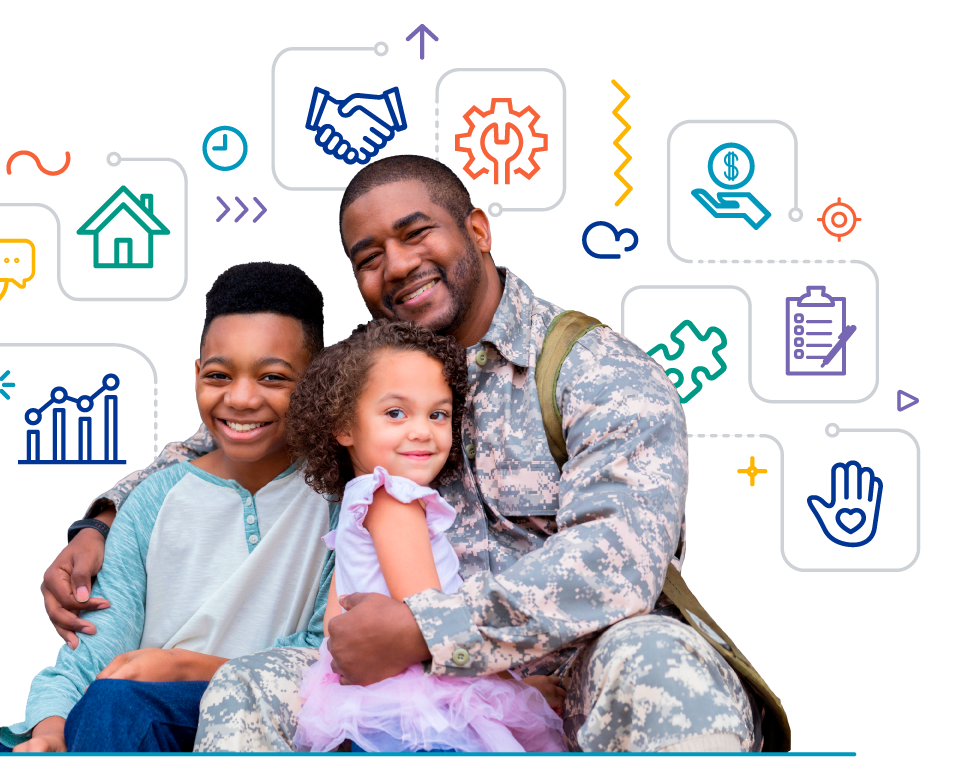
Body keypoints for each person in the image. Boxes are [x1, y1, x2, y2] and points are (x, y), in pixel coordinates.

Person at [44, 155, 764, 753]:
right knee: (245, 688)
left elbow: (617, 559)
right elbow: (251, 416)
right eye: (368, 256)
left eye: (415, 233)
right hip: (405, 677)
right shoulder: (384, 371)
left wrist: (426, 630)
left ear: (477, 229)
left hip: (573, 674)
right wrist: (105, 516)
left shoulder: (594, 370)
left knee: (657, 659)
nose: (396, 265)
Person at [0, 262, 337, 752]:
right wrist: (50, 728)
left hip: (244, 714)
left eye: (272, 377)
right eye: (219, 375)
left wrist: (180, 668)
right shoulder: (153, 499)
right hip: (118, 714)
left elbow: (321, 656)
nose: (241, 398)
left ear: (314, 383)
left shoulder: (338, 501)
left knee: (121, 707)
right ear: (197, 375)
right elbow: (94, 650)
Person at [289, 319, 566, 753]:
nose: (422, 430)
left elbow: (334, 625)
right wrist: (516, 683)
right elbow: (428, 617)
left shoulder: (355, 503)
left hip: (361, 700)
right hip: (419, 701)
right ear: (343, 426)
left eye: (437, 414)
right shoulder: (394, 499)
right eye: (395, 412)